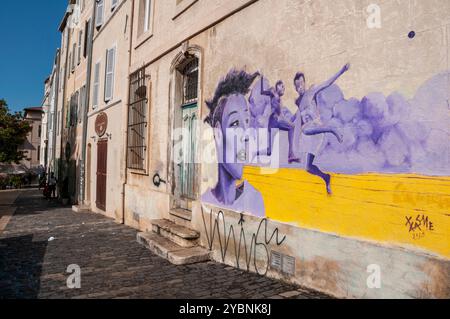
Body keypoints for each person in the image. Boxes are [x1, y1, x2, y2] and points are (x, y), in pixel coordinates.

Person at [202, 69, 265, 218]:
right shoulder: (205, 201)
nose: (246, 136)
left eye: (247, 122)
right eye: (235, 123)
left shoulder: (255, 199)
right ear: (218, 133)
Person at [294, 64, 350, 194]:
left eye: (301, 84)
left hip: (318, 128)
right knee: (308, 167)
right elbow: (301, 118)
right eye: (297, 86)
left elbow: (327, 83)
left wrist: (341, 70)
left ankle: (332, 129)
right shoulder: (298, 101)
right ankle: (326, 177)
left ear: (305, 83)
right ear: (295, 88)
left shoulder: (311, 92)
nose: (300, 87)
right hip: (309, 134)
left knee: (304, 130)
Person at [260, 78, 299, 163]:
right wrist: (262, 77)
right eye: (282, 87)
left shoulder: (279, 101)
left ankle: (256, 153)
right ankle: (291, 155)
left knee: (269, 152)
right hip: (274, 120)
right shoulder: (273, 92)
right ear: (277, 86)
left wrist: (293, 117)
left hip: (272, 123)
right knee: (292, 127)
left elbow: (281, 116)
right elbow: (262, 92)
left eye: (284, 88)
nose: (283, 89)